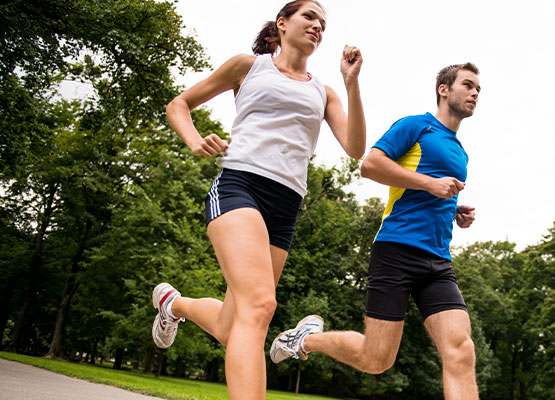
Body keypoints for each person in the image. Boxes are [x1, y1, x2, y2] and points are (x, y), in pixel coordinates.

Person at [152, 1, 365, 399]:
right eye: (309, 17)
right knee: (261, 307)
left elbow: (355, 148)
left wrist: (351, 82)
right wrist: (195, 140)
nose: (317, 25)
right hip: (240, 186)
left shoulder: (325, 91)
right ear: (282, 24)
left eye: (323, 22)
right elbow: (178, 104)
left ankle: (173, 305)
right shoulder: (249, 67)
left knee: (231, 327)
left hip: (285, 207)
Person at [270, 62, 481, 400]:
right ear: (444, 89)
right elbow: (370, 165)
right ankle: (303, 340)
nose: (475, 93)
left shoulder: (460, 151)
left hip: (439, 262)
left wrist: (454, 211)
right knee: (376, 359)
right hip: (396, 251)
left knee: (461, 350)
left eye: (478, 90)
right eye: (468, 85)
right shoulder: (417, 126)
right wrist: (431, 185)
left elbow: (429, 193)